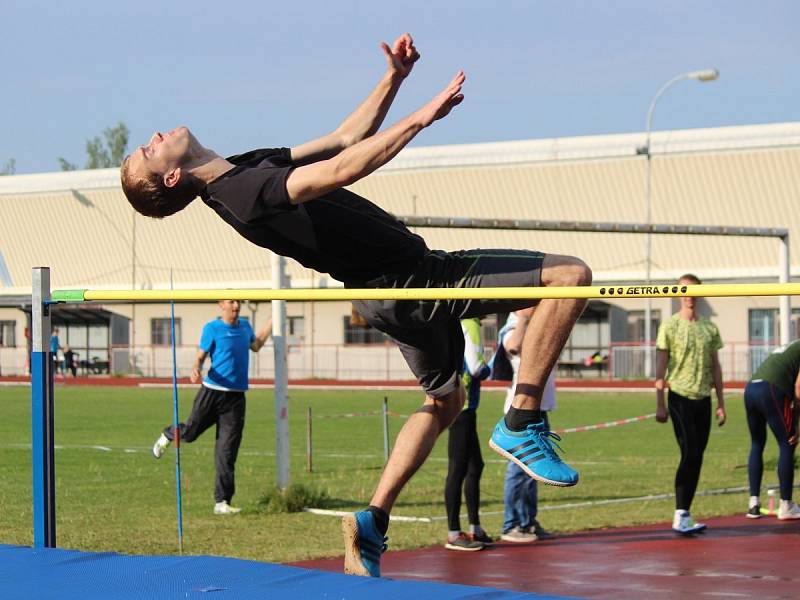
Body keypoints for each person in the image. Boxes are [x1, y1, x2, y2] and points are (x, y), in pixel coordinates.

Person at [120, 33, 591, 576]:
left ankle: (372, 521)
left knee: (446, 402)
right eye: (150, 150)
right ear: (172, 175)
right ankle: (522, 419)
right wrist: (421, 118)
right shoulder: (240, 193)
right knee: (569, 275)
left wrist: (394, 78)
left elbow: (345, 138)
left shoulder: (240, 167)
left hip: (383, 291)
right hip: (414, 280)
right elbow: (342, 172)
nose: (155, 136)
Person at [151, 301, 272, 515]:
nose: (236, 306)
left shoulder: (245, 327)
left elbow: (256, 345)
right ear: (221, 305)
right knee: (189, 433)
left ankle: (222, 502)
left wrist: (275, 319)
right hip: (212, 392)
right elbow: (200, 356)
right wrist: (195, 369)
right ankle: (169, 433)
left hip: (235, 398)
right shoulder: (212, 328)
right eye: (231, 302)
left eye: (238, 302)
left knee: (227, 452)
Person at [655, 274, 726, 534]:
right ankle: (680, 513)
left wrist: (721, 402)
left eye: (694, 291)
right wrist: (659, 403)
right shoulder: (669, 326)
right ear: (678, 293)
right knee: (691, 453)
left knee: (697, 456)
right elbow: (660, 367)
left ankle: (685, 513)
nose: (689, 296)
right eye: (685, 291)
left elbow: (716, 367)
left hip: (703, 398)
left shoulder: (709, 328)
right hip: (679, 396)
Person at [497, 308, 554, 543]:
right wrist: (522, 318)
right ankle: (511, 524)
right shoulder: (513, 322)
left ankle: (528, 521)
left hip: (540, 407)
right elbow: (513, 346)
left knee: (534, 471)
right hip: (520, 409)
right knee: (518, 470)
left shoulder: (541, 319)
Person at [443, 317, 492, 552]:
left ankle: (475, 527)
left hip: (463, 405)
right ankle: (453, 532)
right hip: (461, 406)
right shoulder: (469, 323)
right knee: (458, 468)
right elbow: (476, 367)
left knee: (476, 465)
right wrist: (491, 367)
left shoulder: (458, 320)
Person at [743, 341, 800, 520]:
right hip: (771, 389)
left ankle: (753, 503)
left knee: (757, 443)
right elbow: (799, 388)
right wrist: (796, 423)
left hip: (751, 388)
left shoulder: (793, 346)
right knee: (788, 443)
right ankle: (786, 504)